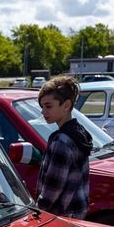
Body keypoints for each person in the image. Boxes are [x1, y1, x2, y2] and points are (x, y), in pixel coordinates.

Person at [36, 75, 92, 218]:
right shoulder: (79, 132)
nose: (43, 111)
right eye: (42, 107)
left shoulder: (62, 141)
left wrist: (37, 213)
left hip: (61, 218)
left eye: (48, 106)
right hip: (78, 211)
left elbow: (52, 190)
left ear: (66, 105)